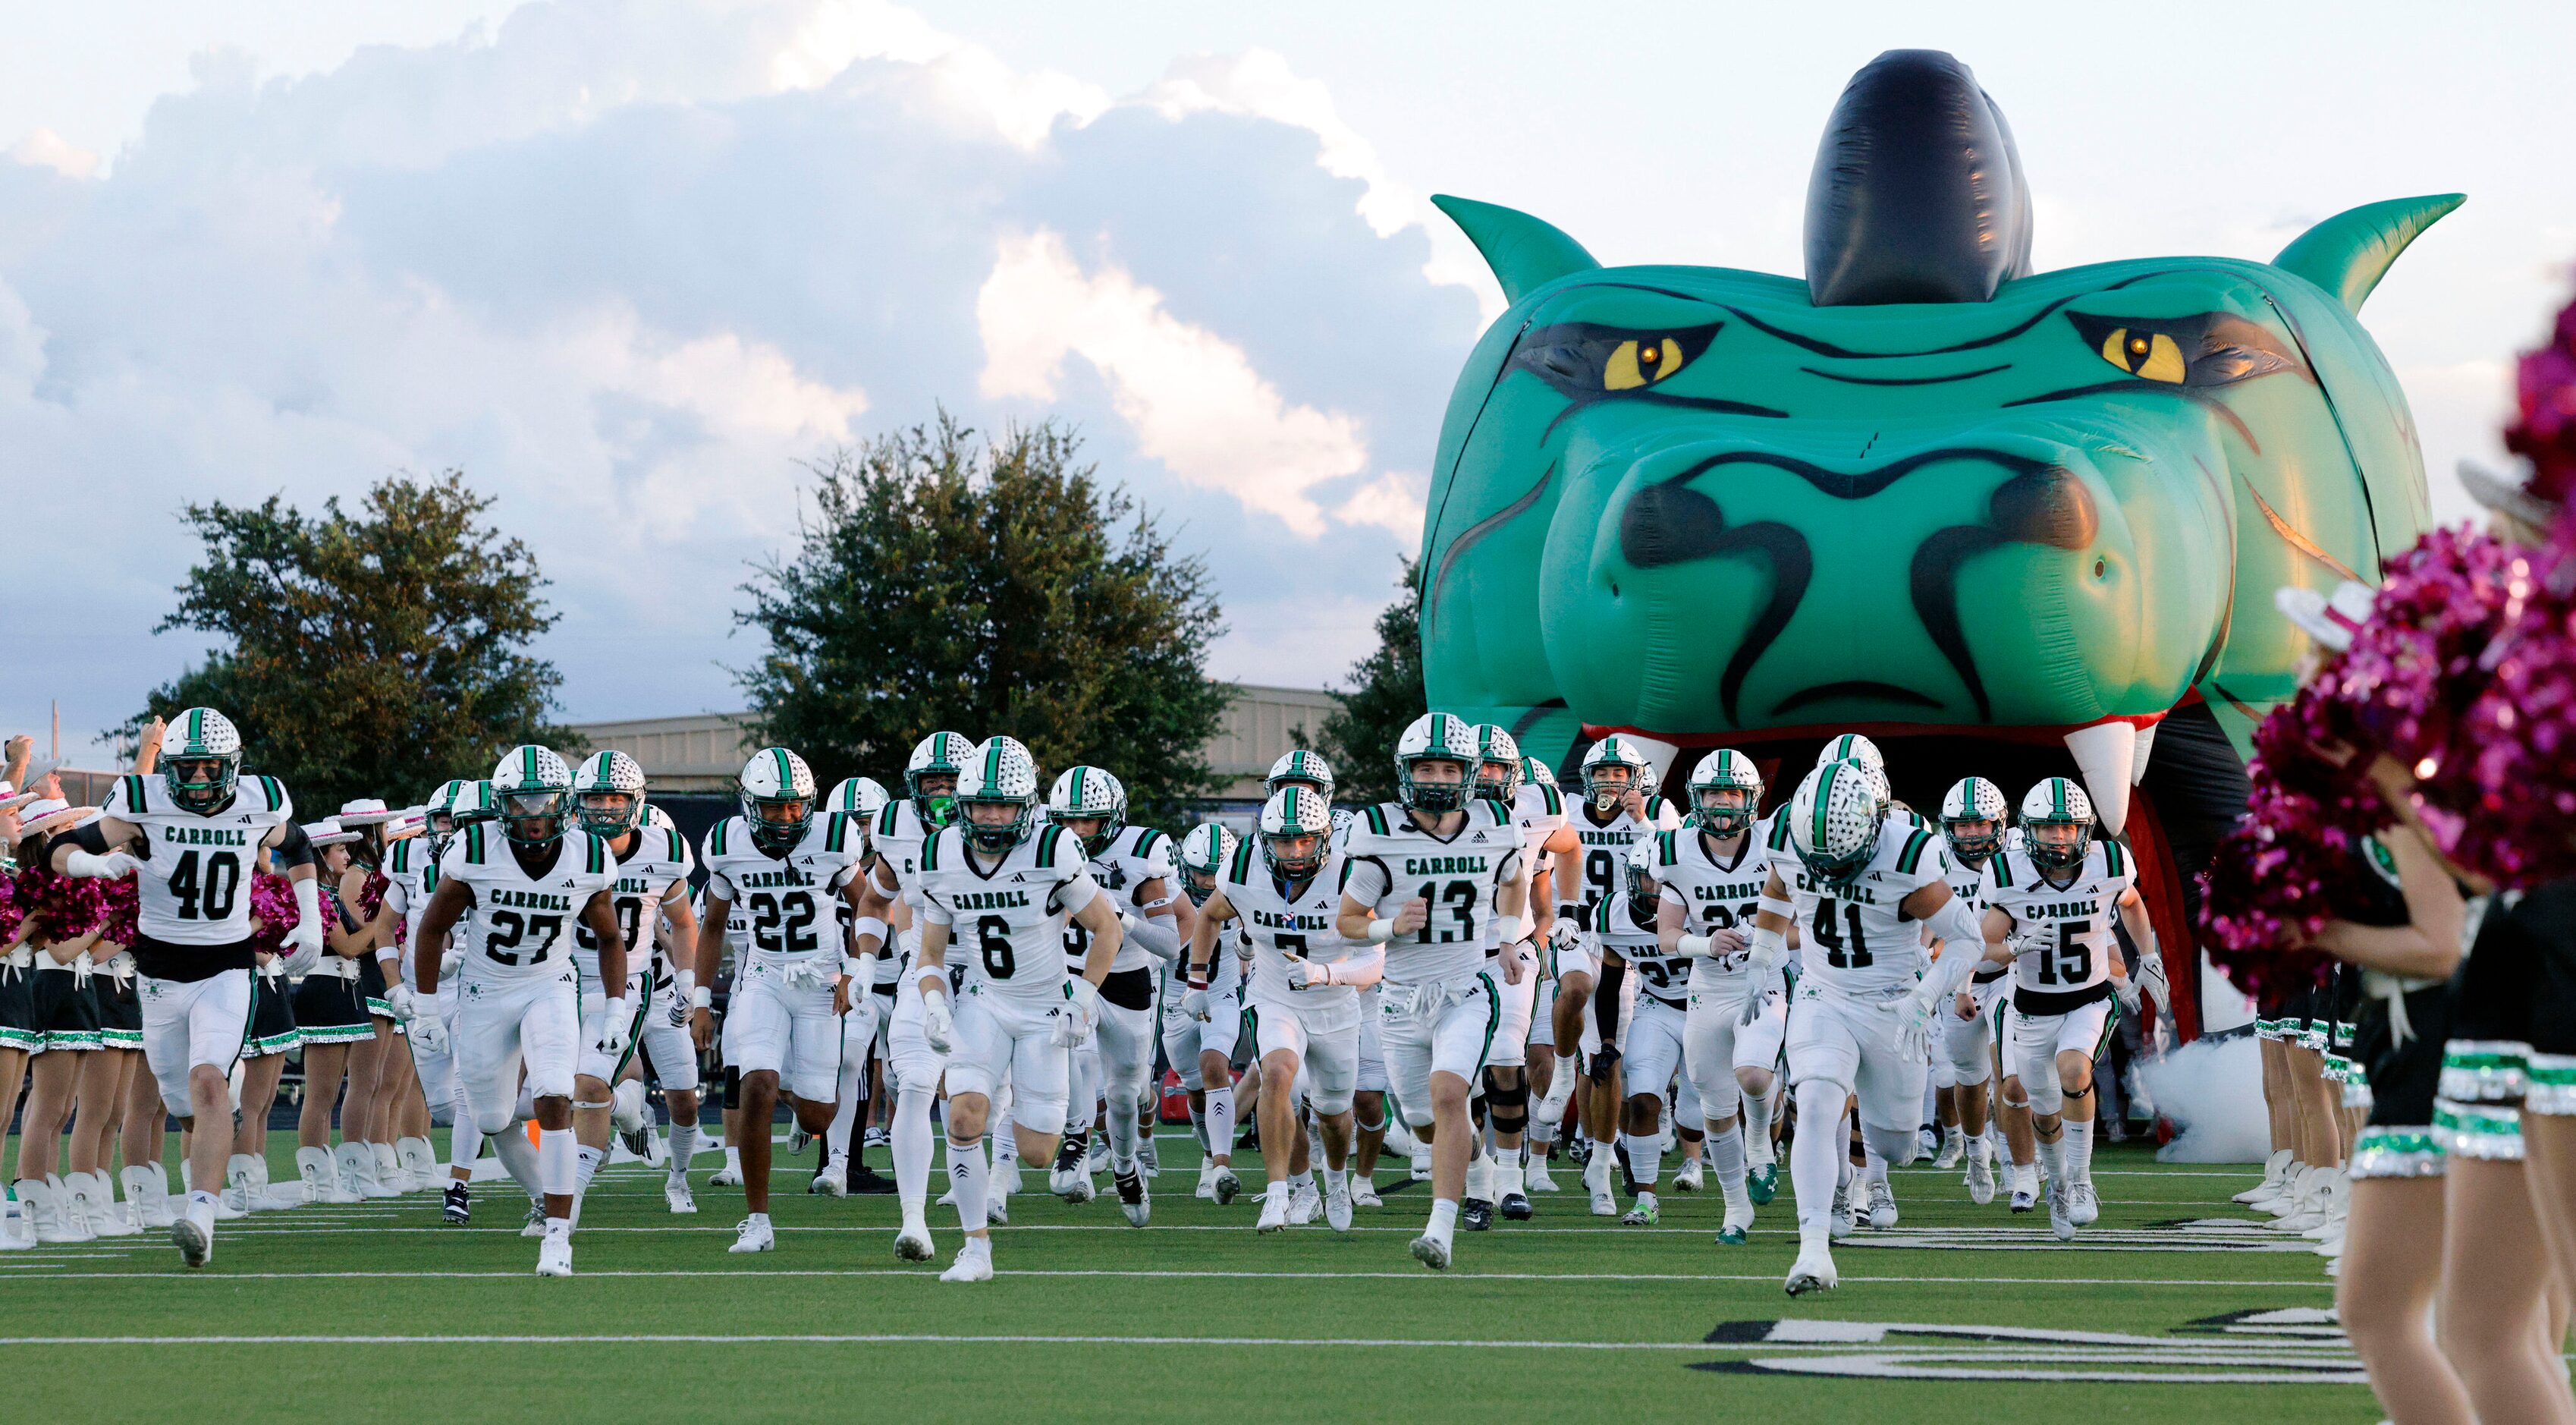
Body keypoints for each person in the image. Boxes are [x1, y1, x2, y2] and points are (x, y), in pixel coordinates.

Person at [52, 708, 322, 1268]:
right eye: (187, 767)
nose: (198, 779)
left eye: (209, 768)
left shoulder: (257, 798)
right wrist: (90, 865)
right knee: (181, 1101)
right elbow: (55, 852)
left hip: (226, 967)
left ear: (232, 766)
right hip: (158, 972)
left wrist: (311, 918)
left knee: (206, 1083)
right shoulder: (141, 800)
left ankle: (201, 1214)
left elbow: (298, 846)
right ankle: (219, 1110)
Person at [1750, 757, 1990, 1295]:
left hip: (1892, 1004)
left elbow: (1970, 940)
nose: (1829, 871)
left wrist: (1926, 998)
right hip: (1823, 992)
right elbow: (1775, 896)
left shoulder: (1908, 852)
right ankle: (1814, 1249)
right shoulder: (1789, 834)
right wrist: (1760, 959)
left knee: (1898, 1142)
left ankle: (1874, 1175)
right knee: (1814, 1103)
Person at [911, 737, 1124, 1283]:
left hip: (1045, 1009)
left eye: (1002, 803)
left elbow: (1107, 928)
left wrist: (1084, 995)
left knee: (1036, 1151)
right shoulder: (940, 853)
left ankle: (1067, 1123)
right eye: (980, 803)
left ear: (1026, 806)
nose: (990, 815)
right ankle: (975, 1249)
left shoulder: (1053, 848)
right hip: (984, 1000)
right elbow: (930, 954)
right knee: (962, 1117)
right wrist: (935, 1003)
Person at [411, 744, 627, 1277]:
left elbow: (609, 938)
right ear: (501, 805)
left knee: (555, 1094)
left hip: (548, 984)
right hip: (485, 989)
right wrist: (421, 1008)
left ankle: (558, 1236)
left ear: (564, 803)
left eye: (543, 801)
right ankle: (542, 1194)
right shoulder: (476, 849)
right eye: (520, 803)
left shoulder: (588, 856)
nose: (533, 816)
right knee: (490, 1117)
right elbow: (432, 928)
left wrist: (617, 1008)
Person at [1335, 712, 1532, 1270]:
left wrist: (1509, 941)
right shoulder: (1378, 828)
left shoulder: (1496, 820)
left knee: (1450, 1096)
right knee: (1429, 1124)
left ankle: (1441, 1229)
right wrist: (1389, 928)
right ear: (1406, 771)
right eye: (1428, 766)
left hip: (1466, 989)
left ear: (1468, 774)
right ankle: (1478, 1169)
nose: (1440, 778)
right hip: (1400, 1000)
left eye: (1450, 768)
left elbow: (1515, 881)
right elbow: (1347, 920)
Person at [690, 747, 865, 1256]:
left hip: (818, 984)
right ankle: (758, 1220)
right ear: (750, 806)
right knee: (756, 1082)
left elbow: (871, 906)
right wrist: (702, 1000)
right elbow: (714, 926)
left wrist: (854, 971)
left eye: (794, 806)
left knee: (816, 1119)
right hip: (763, 978)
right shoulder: (727, 843)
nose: (786, 818)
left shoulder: (834, 839)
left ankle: (789, 1084)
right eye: (773, 807)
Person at [1192, 788, 1372, 1233]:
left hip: (1335, 1002)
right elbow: (1209, 915)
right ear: (1264, 838)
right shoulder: (1244, 866)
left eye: (1306, 840)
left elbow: (1377, 961)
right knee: (1276, 1075)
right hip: (1274, 994)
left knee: (1333, 1115)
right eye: (1283, 841)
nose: (1294, 851)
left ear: (1324, 839)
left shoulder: (1351, 873)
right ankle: (1281, 1193)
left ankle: (1334, 1179)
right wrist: (1197, 978)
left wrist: (1325, 973)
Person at [1978, 778, 2150, 1241]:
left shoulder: (2108, 863)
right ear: (2029, 831)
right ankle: (2057, 1184)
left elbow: (2131, 903)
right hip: (2032, 1008)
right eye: (2050, 829)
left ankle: (2082, 1181)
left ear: (2085, 830)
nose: (2061, 837)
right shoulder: (2007, 874)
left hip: (2089, 997)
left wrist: (2148, 957)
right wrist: (2014, 946)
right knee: (2045, 1109)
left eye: (2070, 828)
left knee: (2074, 1070)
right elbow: (1979, 949)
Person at [1045, 766, 1188, 1224]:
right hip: (1067, 974)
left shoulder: (1140, 853)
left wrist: (1120, 919)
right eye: (1068, 820)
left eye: (1088, 820)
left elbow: (1168, 943)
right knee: (1069, 1052)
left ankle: (1126, 1169)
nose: (1078, 830)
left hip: (1126, 979)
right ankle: (1074, 1139)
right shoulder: (1043, 848)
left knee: (1125, 1095)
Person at [558, 752, 698, 1219]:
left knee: (677, 1093)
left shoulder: (666, 851)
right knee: (525, 1102)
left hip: (639, 985)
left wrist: (687, 982)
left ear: (635, 803)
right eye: (594, 798)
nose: (603, 809)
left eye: (614, 798)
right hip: (560, 984)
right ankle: (625, 1107)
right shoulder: (561, 844)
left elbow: (682, 924)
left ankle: (565, 1204)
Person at [1651, 748, 1772, 1242]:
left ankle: (1761, 1146)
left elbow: (1801, 918)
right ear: (1695, 800)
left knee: (1755, 1074)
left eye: (1734, 792)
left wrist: (1766, 943)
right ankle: (1735, 1208)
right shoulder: (1676, 850)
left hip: (1764, 982)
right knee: (1714, 1103)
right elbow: (1666, 934)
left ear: (1752, 798)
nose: (1724, 802)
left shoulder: (1775, 845)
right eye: (1714, 793)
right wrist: (1706, 942)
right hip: (1707, 986)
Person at [1934, 776, 2011, 1204]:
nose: (1972, 833)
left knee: (2011, 1067)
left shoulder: (2020, 853)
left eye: (1981, 824)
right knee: (1968, 1077)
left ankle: (2022, 1152)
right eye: (1962, 826)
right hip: (1955, 982)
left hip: (2007, 975)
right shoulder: (1935, 861)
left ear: (1999, 824)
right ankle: (1977, 1151)